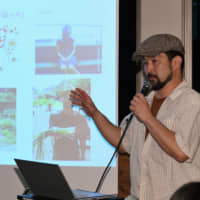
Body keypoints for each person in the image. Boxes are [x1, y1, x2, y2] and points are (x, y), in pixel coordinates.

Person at [70, 34, 200, 200]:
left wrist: (147, 118)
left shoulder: (192, 102)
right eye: (145, 63)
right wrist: (94, 113)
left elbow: (181, 151)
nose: (148, 70)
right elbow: (122, 141)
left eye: (155, 61)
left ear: (176, 63)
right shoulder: (146, 101)